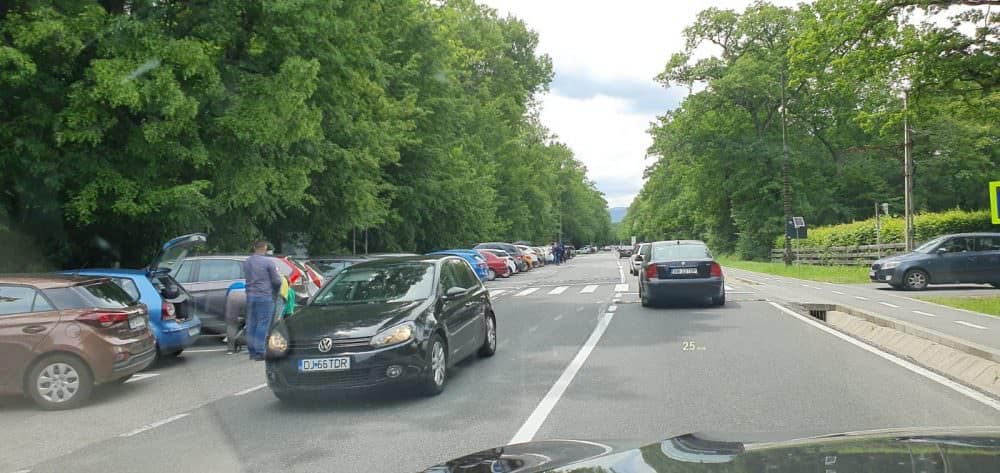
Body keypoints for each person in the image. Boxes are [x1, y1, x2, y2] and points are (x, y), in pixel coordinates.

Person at [242, 240, 282, 361]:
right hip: (264, 295)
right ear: (265, 248)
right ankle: (260, 351)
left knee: (252, 323)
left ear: (254, 248)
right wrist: (276, 291)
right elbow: (277, 281)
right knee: (263, 323)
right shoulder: (268, 262)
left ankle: (252, 351)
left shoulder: (247, 262)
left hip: (250, 295)